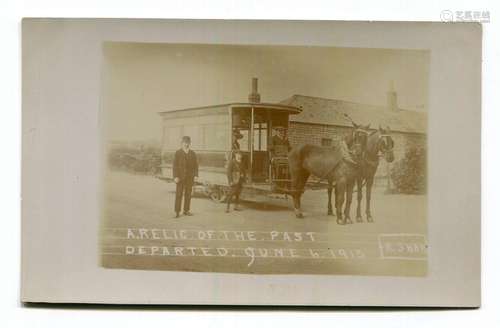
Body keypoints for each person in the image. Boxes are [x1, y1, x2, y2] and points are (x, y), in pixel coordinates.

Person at [172, 136, 198, 218]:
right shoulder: (178, 153)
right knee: (179, 194)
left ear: (189, 143)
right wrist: (175, 176)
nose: (186, 144)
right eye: (184, 142)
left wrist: (196, 175)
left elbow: (196, 166)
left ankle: (186, 210)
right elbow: (175, 166)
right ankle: (177, 212)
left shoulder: (192, 153)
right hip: (180, 177)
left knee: (188, 194)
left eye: (188, 142)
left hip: (190, 177)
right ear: (182, 143)